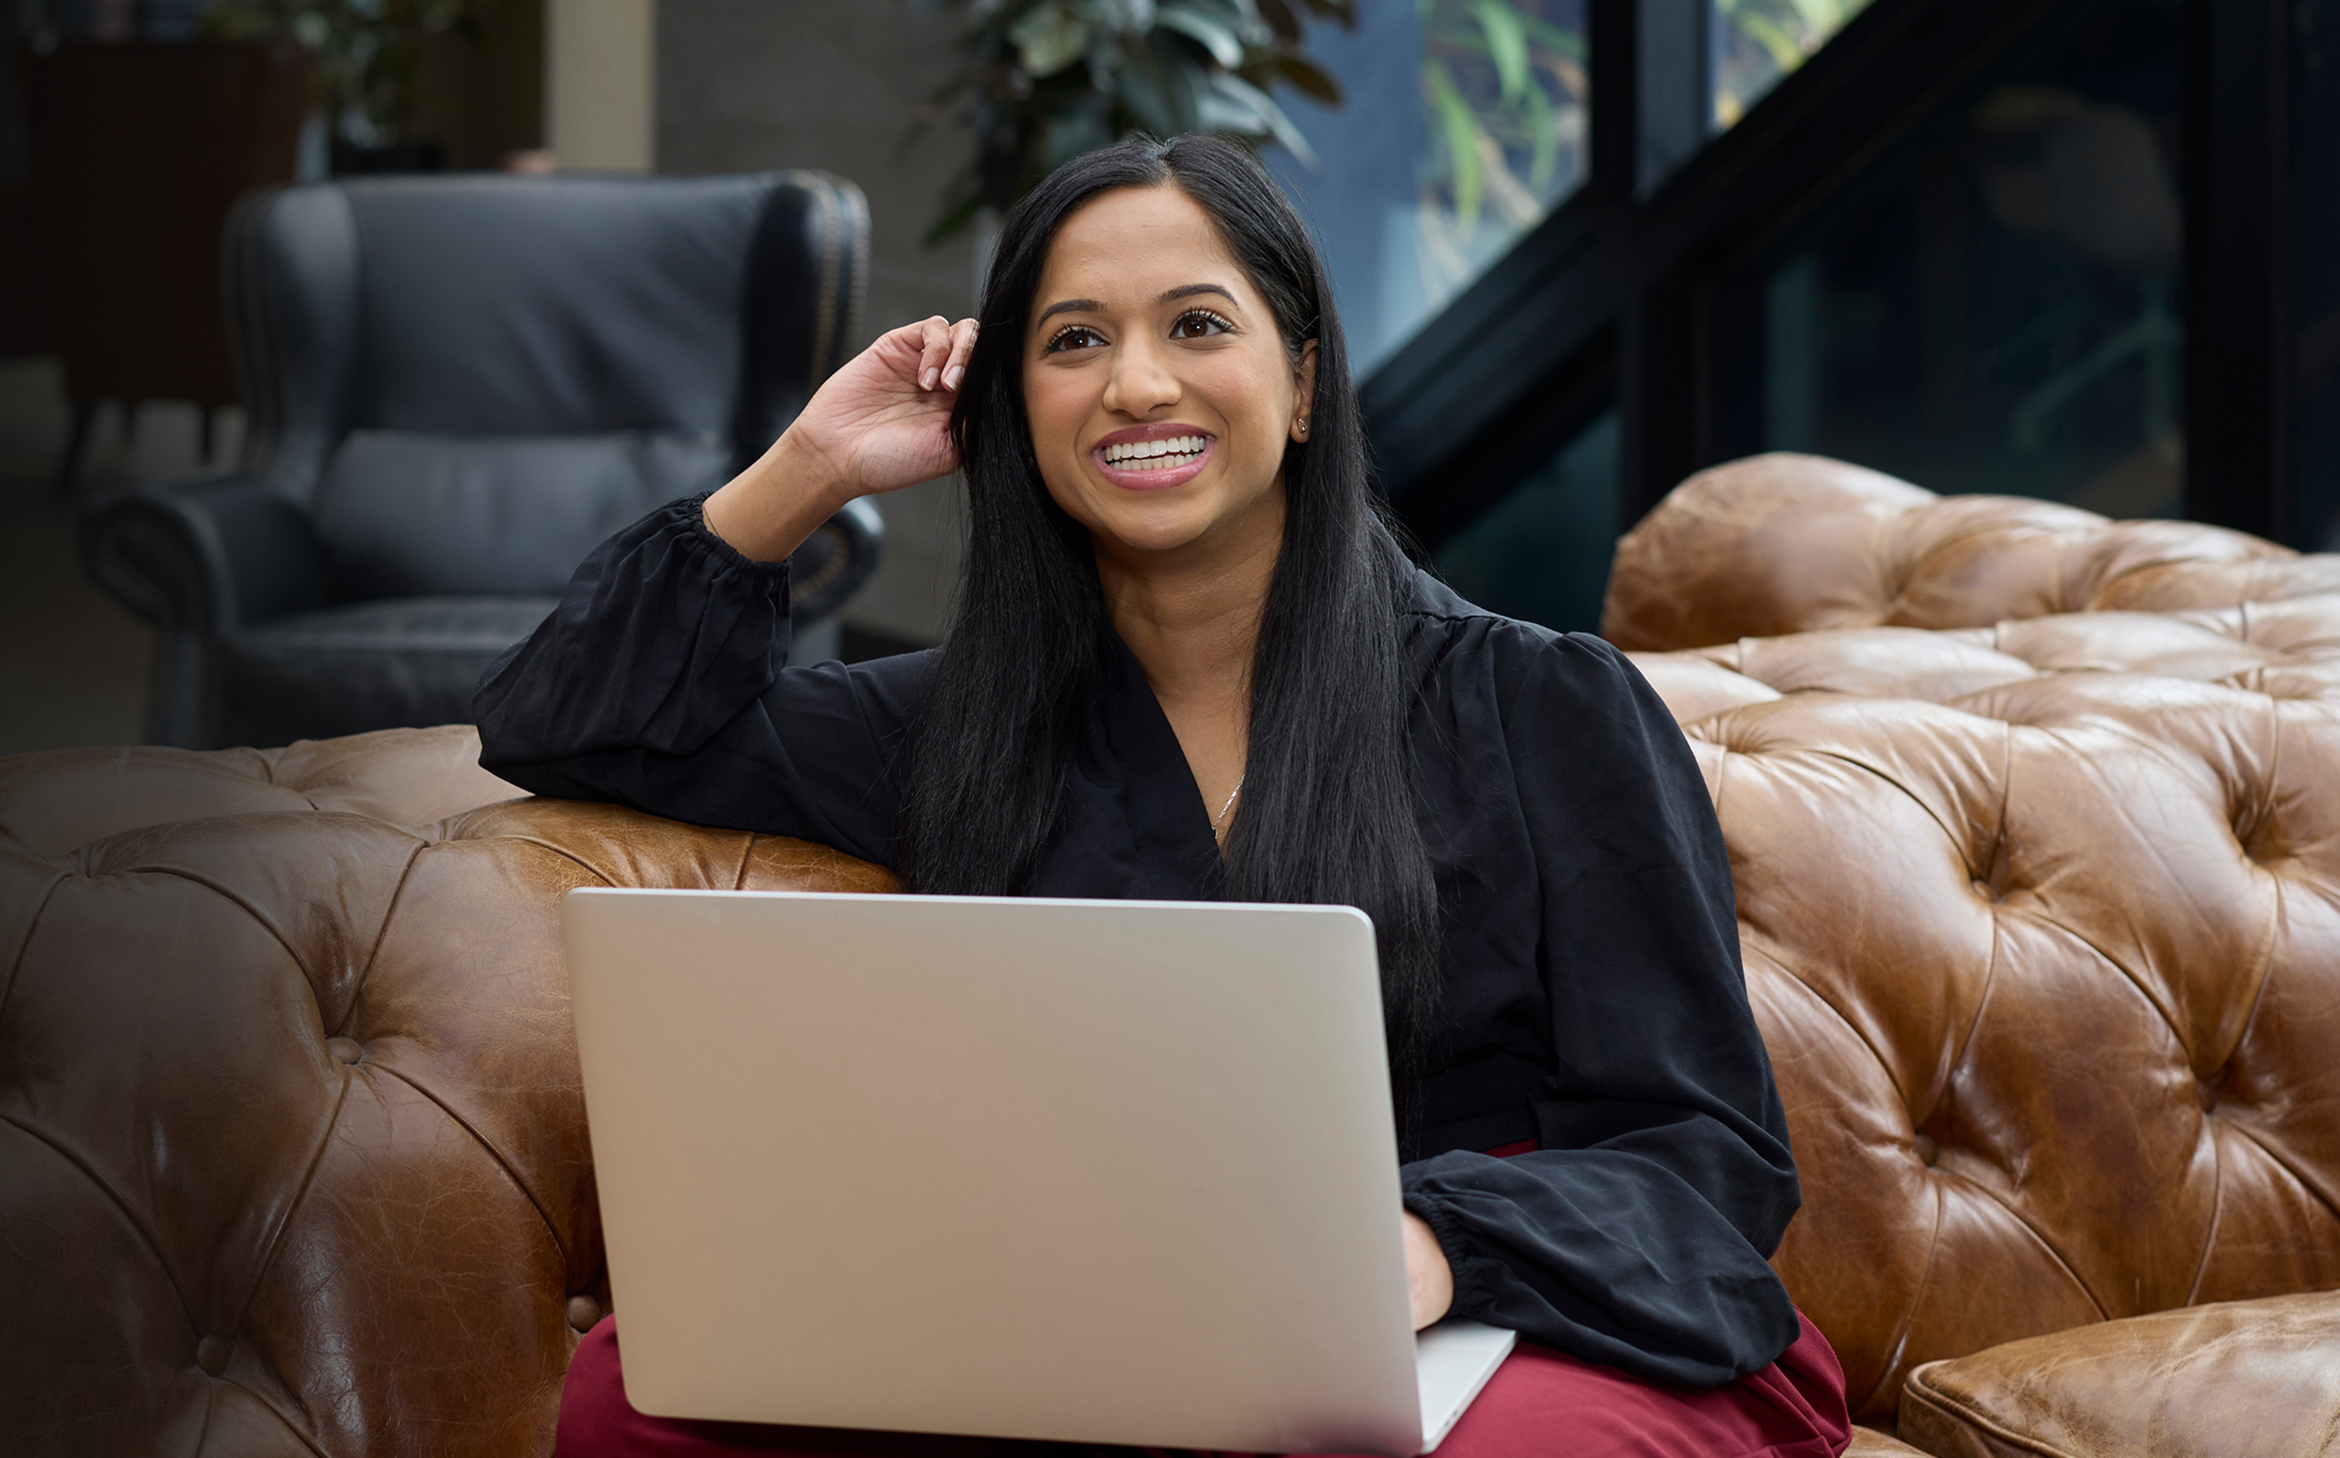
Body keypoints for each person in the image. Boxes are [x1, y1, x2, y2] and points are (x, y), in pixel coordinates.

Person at [473, 135, 1854, 1458]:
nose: (1136, 384)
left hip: (1518, 1305)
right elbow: (564, 720)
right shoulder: (949, 724)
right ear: (1010, 405)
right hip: (1109, 1304)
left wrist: (1422, 1244)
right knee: (627, 1399)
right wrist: (812, 468)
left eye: (1197, 325)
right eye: (1072, 341)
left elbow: (1700, 1150)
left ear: (1303, 385)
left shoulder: (1545, 704)